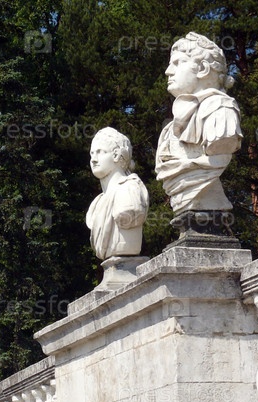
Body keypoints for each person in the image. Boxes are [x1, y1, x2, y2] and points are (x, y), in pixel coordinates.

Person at [155, 32, 242, 214]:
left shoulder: (220, 109)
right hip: (184, 204)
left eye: (177, 63)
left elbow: (223, 145)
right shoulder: (169, 130)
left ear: (202, 68)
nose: (168, 71)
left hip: (208, 203)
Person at [85, 128, 149, 260]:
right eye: (92, 154)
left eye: (100, 152)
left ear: (115, 155)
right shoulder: (98, 202)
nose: (93, 160)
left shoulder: (129, 189)